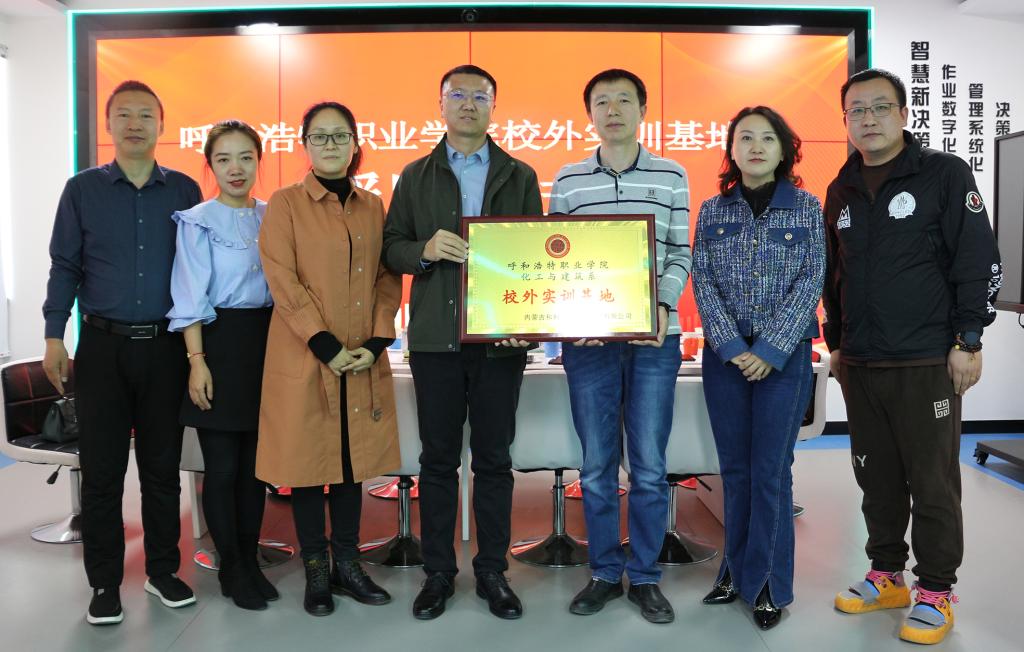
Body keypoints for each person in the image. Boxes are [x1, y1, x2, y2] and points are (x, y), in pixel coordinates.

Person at [824, 69, 1002, 645]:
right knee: (874, 477)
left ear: (904, 114)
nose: (868, 119)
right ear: (846, 121)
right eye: (856, 110)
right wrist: (837, 343)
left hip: (926, 359)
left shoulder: (944, 174)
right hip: (861, 361)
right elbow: (834, 273)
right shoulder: (841, 187)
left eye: (880, 107)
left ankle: (936, 589)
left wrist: (968, 340)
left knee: (932, 482)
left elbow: (976, 256)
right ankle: (887, 575)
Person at [382, 64, 542, 621]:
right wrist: (424, 251)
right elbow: (392, 247)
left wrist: (528, 323)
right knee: (437, 462)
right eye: (458, 95)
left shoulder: (519, 174)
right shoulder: (415, 175)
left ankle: (493, 571)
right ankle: (438, 573)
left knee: (494, 460)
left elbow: (534, 252)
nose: (469, 104)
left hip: (500, 340)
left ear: (494, 106)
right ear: (441, 104)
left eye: (480, 96)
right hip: (435, 340)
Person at [42, 80, 202, 625]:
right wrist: (54, 334)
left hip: (164, 349)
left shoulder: (183, 190)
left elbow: (195, 271)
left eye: (145, 115)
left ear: (161, 125)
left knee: (161, 469)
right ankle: (105, 583)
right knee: (103, 472)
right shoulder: (81, 190)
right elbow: (65, 265)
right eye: (124, 115)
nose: (135, 124)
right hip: (102, 349)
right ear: (108, 124)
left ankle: (162, 571)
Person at [548, 69, 691, 624]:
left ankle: (647, 576)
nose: (613, 110)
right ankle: (606, 572)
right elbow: (557, 261)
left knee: (650, 467)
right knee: (596, 468)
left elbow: (680, 251)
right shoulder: (568, 180)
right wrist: (569, 317)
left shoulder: (671, 174)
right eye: (602, 102)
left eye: (624, 100)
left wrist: (663, 306)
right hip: (590, 344)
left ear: (642, 110)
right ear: (589, 114)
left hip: (656, 339)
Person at [255, 101, 402, 617]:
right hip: (307, 356)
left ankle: (348, 565)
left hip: (359, 357)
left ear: (356, 144)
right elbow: (282, 278)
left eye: (341, 136)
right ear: (305, 145)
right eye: (320, 136)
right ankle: (317, 568)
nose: (331, 145)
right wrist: (323, 344)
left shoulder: (373, 206)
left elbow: (386, 277)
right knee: (308, 465)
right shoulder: (285, 204)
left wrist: (376, 341)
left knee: (350, 464)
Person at [692, 106, 825, 630]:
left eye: (767, 138)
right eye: (745, 138)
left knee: (770, 470)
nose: (755, 147)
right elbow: (702, 278)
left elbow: (812, 279)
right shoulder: (713, 210)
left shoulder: (806, 207)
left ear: (784, 149)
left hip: (783, 358)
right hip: (725, 358)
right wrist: (730, 345)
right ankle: (733, 571)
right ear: (731, 149)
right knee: (734, 470)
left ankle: (769, 583)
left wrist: (769, 350)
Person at [166, 120, 276, 611]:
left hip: (267, 344)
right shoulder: (197, 220)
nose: (236, 168)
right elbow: (190, 294)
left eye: (246, 158)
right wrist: (197, 362)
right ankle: (230, 564)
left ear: (258, 161)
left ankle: (250, 560)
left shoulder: (273, 216)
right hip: (215, 343)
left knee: (256, 468)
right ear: (210, 165)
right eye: (224, 159)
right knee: (224, 467)